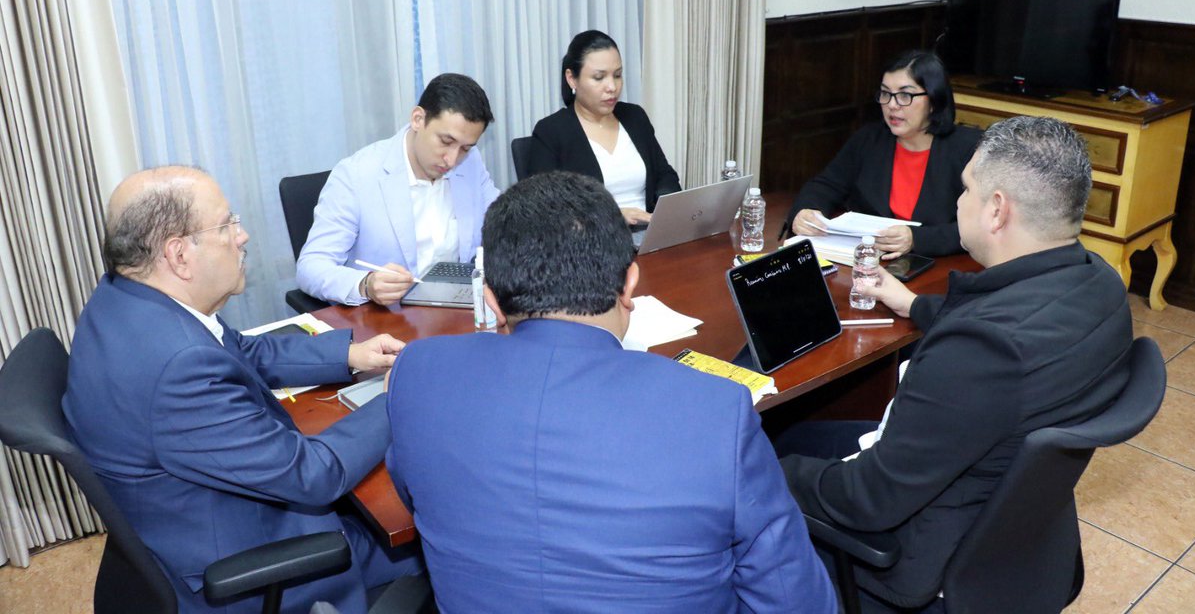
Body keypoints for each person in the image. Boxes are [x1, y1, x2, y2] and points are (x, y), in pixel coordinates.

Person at [384, 171, 837, 614]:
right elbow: (798, 599)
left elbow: (416, 496)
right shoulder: (717, 410)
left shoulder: (417, 373)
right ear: (629, 284)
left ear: (492, 301)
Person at [775, 117, 1134, 612]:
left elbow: (867, 499)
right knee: (798, 436)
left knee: (771, 459)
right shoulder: (1103, 285)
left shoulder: (979, 352)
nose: (956, 202)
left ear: (996, 210)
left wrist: (764, 473)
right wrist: (913, 304)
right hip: (1015, 532)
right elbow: (1022, 327)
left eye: (965, 189)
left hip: (920, 559)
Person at [63, 167, 421, 614]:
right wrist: (402, 392)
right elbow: (313, 475)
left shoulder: (127, 298)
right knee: (433, 537)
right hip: (252, 563)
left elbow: (237, 350)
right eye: (227, 223)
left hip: (190, 516)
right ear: (178, 254)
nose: (243, 235)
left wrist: (350, 355)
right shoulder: (178, 367)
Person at [297, 72, 500, 305]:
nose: (452, 160)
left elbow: (501, 223)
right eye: (446, 141)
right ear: (417, 119)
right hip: (387, 319)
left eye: (465, 148)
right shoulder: (356, 176)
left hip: (454, 309)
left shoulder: (470, 162)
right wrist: (366, 284)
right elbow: (310, 267)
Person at [786, 50, 980, 259]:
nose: (892, 105)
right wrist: (804, 211)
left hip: (938, 267)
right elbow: (826, 184)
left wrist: (918, 238)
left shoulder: (968, 150)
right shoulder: (869, 139)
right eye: (885, 93)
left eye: (905, 95)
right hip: (868, 262)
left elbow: (983, 225)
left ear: (933, 100)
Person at [527, 30, 680, 225]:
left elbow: (665, 176)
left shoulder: (634, 117)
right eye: (599, 78)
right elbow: (543, 209)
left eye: (617, 75)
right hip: (594, 243)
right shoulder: (552, 131)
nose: (612, 87)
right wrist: (612, 217)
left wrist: (666, 216)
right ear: (572, 78)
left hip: (648, 236)